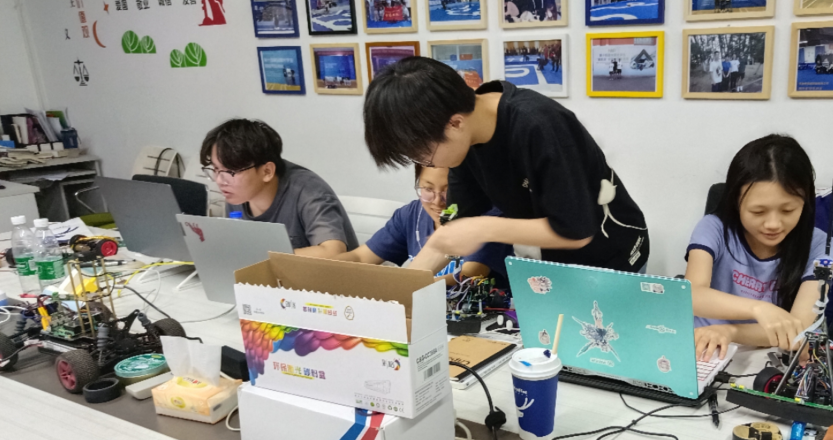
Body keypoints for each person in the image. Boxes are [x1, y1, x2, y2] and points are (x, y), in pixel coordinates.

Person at [362, 57, 650, 274]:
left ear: (455, 124)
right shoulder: (465, 140)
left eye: (424, 155)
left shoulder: (539, 125)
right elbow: (456, 219)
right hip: (559, 264)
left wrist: (483, 228)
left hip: (612, 254)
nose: (429, 164)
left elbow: (576, 231)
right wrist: (407, 286)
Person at [687, 135, 833, 361]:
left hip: (763, 358)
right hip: (701, 350)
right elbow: (692, 295)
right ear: (736, 202)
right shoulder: (714, 228)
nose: (773, 224)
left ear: (805, 203)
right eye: (758, 212)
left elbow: (799, 332)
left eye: (787, 210)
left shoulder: (820, 246)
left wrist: (730, 331)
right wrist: (758, 309)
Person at [200, 119, 359, 258]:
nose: (220, 180)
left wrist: (258, 256)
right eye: (216, 169)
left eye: (231, 172)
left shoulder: (308, 190)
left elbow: (333, 252)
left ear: (267, 171)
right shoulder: (235, 194)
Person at [337, 165, 512, 286]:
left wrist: (407, 287)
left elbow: (470, 273)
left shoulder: (487, 215)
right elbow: (360, 257)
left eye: (448, 191)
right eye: (428, 189)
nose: (437, 201)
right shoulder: (411, 215)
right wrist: (326, 268)